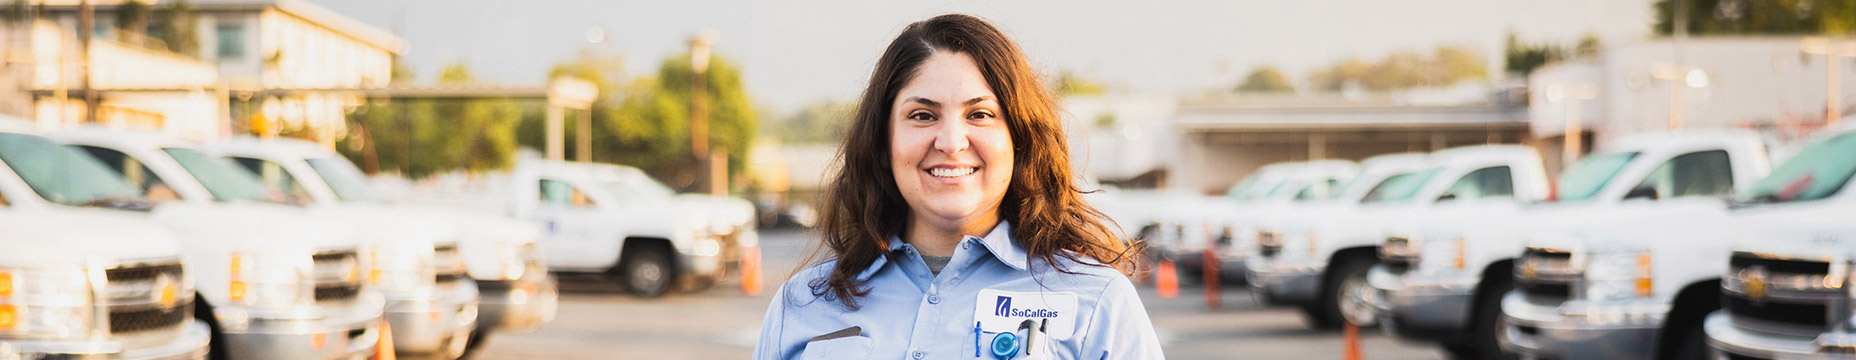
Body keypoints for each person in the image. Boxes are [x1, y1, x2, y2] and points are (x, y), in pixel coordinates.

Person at [754, 14, 1164, 360]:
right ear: (883, 144)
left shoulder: (1099, 301)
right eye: (922, 116)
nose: (950, 142)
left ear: (1019, 140)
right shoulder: (803, 304)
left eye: (981, 114)